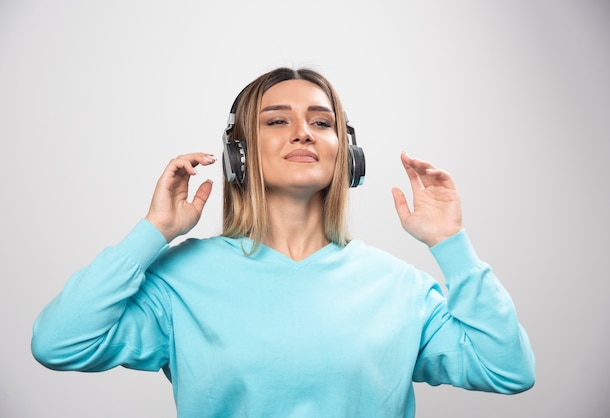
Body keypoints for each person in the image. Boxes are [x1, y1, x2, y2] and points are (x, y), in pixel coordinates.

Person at [31, 67, 535, 417]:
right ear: (239, 156)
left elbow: (507, 370)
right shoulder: (181, 281)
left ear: (347, 156)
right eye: (276, 121)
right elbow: (60, 343)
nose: (303, 133)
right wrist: (152, 233)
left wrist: (451, 244)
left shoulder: (400, 288)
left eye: (321, 122)